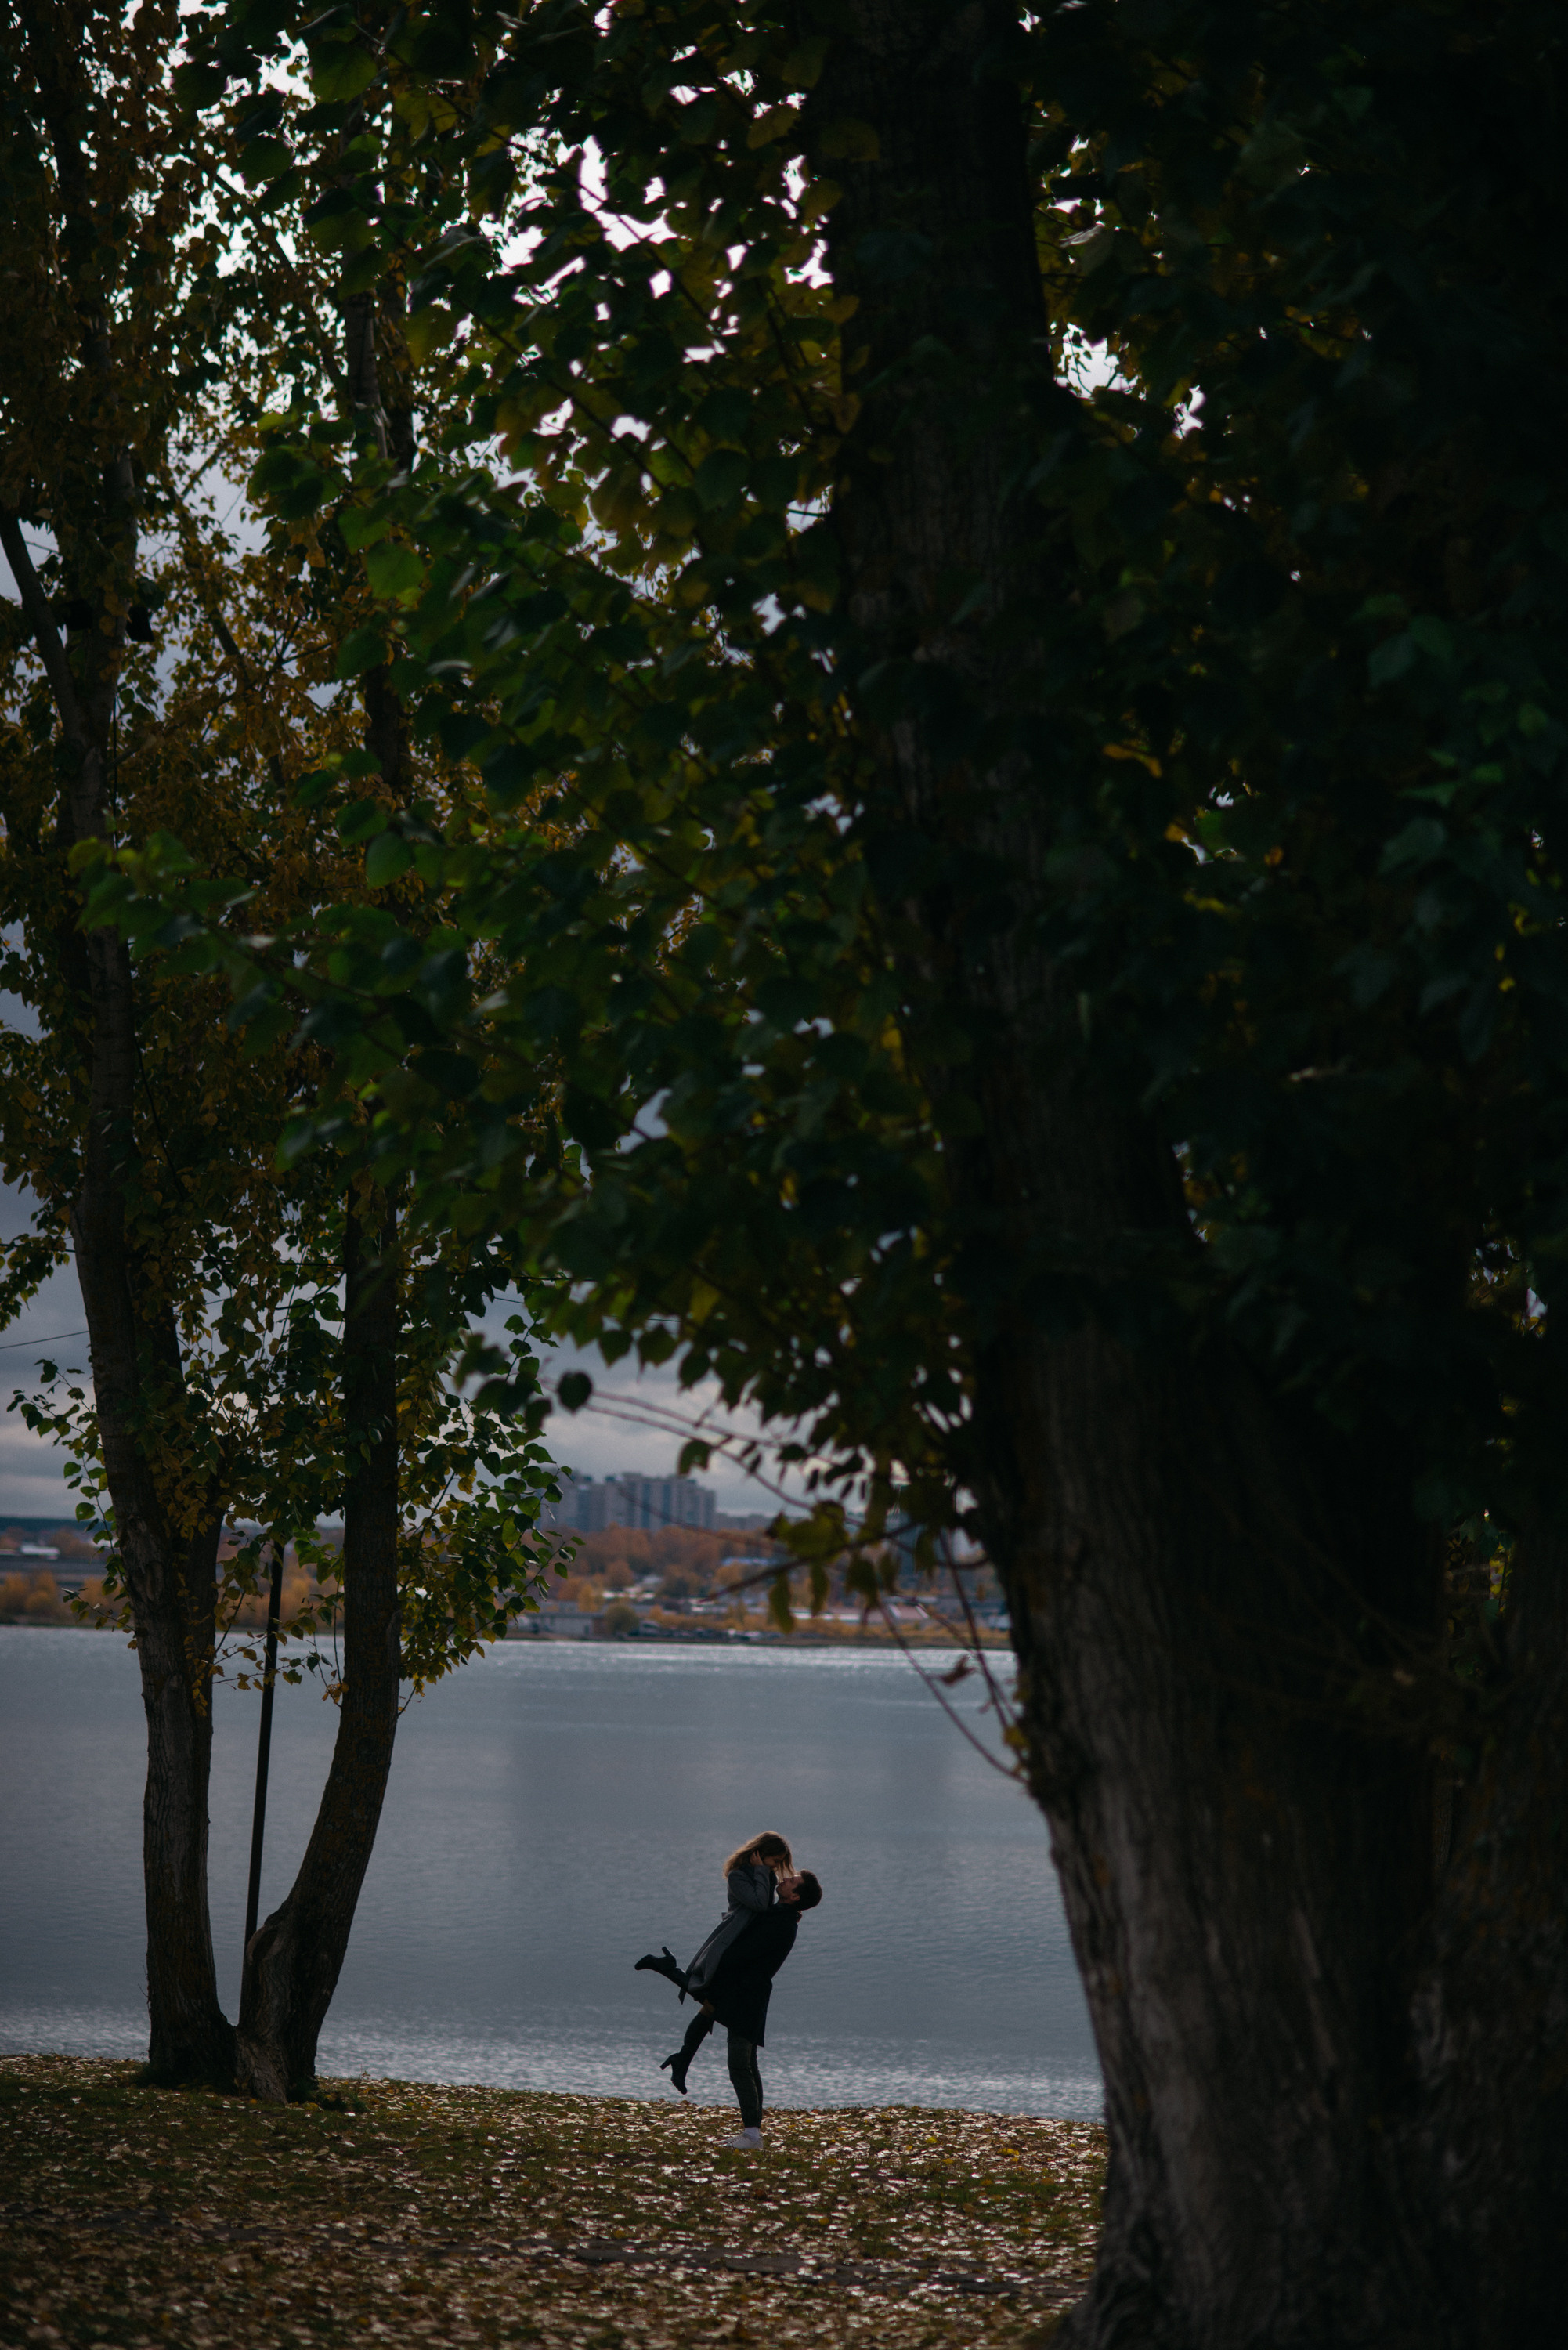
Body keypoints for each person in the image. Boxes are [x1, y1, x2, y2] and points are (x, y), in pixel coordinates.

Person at [645, 1867, 823, 2149]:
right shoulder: (778, 1915)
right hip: (742, 1993)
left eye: (793, 1882)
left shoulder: (782, 1922)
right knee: (745, 2061)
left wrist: (716, 1964)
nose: (786, 1879)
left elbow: (742, 1954)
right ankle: (752, 2131)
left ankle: (752, 2136)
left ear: (795, 1896)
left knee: (740, 2065)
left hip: (747, 1999)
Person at [634, 1831, 793, 2008]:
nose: (776, 1867)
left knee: (715, 1999)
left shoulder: (766, 1875)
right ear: (760, 1854)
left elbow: (765, 1908)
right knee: (706, 1988)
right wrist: (762, 1871)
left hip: (748, 1936)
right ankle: (668, 1968)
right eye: (775, 1861)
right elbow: (760, 1904)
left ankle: (669, 1968)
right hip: (732, 1936)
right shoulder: (738, 1876)